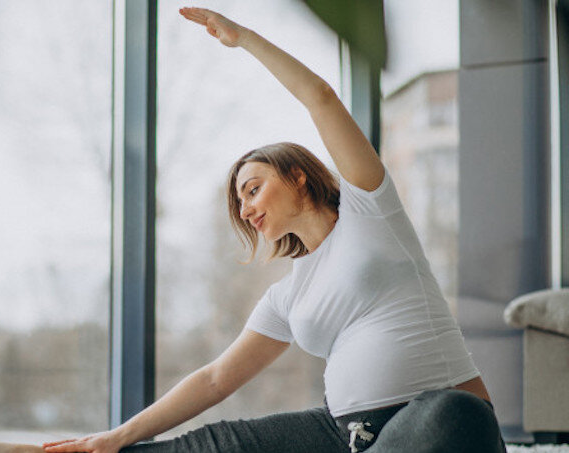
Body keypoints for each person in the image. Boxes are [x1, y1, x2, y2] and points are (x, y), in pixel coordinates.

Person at [43, 7, 507, 453]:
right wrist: (117, 436)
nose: (245, 210)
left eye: (253, 189)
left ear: (297, 175)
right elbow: (215, 379)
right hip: (343, 433)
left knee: (451, 412)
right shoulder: (287, 298)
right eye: (239, 203)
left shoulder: (371, 210)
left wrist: (243, 38)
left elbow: (320, 96)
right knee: (214, 444)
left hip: (441, 427)